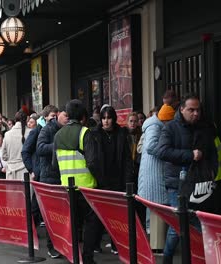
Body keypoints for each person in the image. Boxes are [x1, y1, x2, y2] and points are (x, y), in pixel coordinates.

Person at [156, 94, 217, 264]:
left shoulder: (205, 127)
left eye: (198, 110)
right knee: (179, 224)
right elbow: (162, 152)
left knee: (199, 221)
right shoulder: (170, 128)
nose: (195, 113)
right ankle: (167, 258)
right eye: (191, 110)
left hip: (200, 182)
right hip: (177, 183)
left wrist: (213, 173)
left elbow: (212, 152)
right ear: (181, 109)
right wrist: (190, 155)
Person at [52, 99, 100, 264]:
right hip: (86, 188)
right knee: (90, 224)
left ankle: (72, 256)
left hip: (66, 188)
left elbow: (54, 164)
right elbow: (93, 162)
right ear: (83, 116)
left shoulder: (58, 135)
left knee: (71, 224)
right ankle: (87, 258)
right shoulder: (85, 133)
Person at [88, 105, 133, 255]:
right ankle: (95, 243)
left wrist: (127, 181)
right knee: (98, 215)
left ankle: (116, 244)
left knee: (118, 215)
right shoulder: (95, 134)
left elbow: (127, 159)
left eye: (109, 118)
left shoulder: (121, 133)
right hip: (100, 180)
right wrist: (100, 180)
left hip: (118, 179)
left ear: (113, 119)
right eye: (104, 118)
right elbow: (92, 161)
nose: (106, 121)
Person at [138, 104, 175, 251]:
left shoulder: (154, 125)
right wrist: (168, 150)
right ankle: (157, 245)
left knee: (156, 209)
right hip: (154, 173)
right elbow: (151, 146)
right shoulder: (155, 126)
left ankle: (157, 244)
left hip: (152, 172)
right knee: (157, 209)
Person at [34, 105, 67, 258]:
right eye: (65, 115)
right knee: (50, 213)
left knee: (61, 214)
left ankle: (61, 244)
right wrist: (57, 146)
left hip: (63, 175)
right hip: (48, 176)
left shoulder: (67, 129)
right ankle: (51, 246)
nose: (67, 119)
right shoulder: (47, 129)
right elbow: (39, 148)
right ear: (58, 115)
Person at [2, 110, 30, 180]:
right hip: (25, 171)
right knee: (25, 191)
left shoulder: (7, 134)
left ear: (15, 120)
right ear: (26, 119)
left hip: (10, 172)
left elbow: (4, 156)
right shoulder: (30, 132)